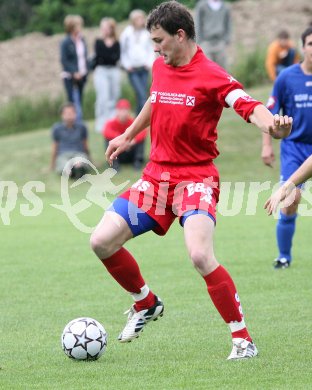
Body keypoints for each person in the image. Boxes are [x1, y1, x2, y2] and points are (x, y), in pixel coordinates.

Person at [90, 1, 292, 360]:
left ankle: (243, 340)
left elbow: (247, 105)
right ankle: (146, 303)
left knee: (200, 255)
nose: (155, 48)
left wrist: (273, 126)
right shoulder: (160, 65)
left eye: (159, 40)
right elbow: (155, 101)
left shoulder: (211, 74)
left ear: (179, 35)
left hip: (195, 179)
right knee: (101, 241)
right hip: (155, 179)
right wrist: (128, 135)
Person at [262, 26, 312, 269]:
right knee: (290, 198)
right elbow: (269, 114)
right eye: (311, 43)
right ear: (302, 47)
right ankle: (284, 256)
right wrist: (266, 147)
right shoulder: (286, 77)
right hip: (294, 147)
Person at [120, 9, 155, 115]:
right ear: (133, 20)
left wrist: (149, 63)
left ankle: (137, 117)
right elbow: (123, 51)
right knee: (141, 94)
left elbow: (150, 49)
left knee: (142, 94)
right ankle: (143, 118)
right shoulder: (127, 33)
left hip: (143, 68)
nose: (140, 20)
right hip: (132, 69)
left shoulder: (146, 33)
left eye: (141, 18)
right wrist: (127, 65)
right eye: (138, 19)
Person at [93, 18, 121, 133]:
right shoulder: (98, 42)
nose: (105, 30)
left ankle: (111, 121)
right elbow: (101, 56)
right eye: (103, 28)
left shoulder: (117, 42)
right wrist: (109, 57)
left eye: (107, 28)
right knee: (103, 97)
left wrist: (108, 57)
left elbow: (116, 57)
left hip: (114, 71)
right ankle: (101, 123)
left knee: (114, 96)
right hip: (102, 71)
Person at [102, 99, 147, 171]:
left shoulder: (133, 122)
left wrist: (133, 141)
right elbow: (106, 132)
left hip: (131, 150)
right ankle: (114, 164)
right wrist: (121, 140)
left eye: (125, 110)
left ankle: (138, 162)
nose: (123, 112)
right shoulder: (111, 123)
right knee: (109, 141)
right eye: (121, 110)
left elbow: (143, 132)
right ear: (117, 111)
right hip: (118, 153)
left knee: (140, 141)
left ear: (129, 111)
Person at [50, 102, 90, 178]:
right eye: (67, 113)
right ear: (62, 115)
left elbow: (85, 145)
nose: (69, 115)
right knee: (65, 165)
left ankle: (78, 169)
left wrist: (91, 159)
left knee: (79, 161)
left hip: (78, 153)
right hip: (63, 154)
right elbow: (55, 147)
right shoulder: (57, 129)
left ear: (75, 114)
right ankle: (72, 172)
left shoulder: (82, 127)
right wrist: (52, 165)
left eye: (72, 113)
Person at [60, 15, 89, 121]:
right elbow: (64, 60)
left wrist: (86, 70)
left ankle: (78, 122)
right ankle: (75, 122)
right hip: (70, 77)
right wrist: (73, 72)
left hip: (82, 75)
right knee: (72, 102)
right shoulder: (66, 42)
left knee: (79, 101)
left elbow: (84, 57)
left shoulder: (81, 40)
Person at [195, 0, 232, 69]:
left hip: (220, 42)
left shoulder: (225, 7)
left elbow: (228, 24)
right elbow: (198, 24)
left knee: (222, 69)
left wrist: (226, 40)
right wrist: (199, 41)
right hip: (206, 42)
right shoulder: (202, 5)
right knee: (206, 69)